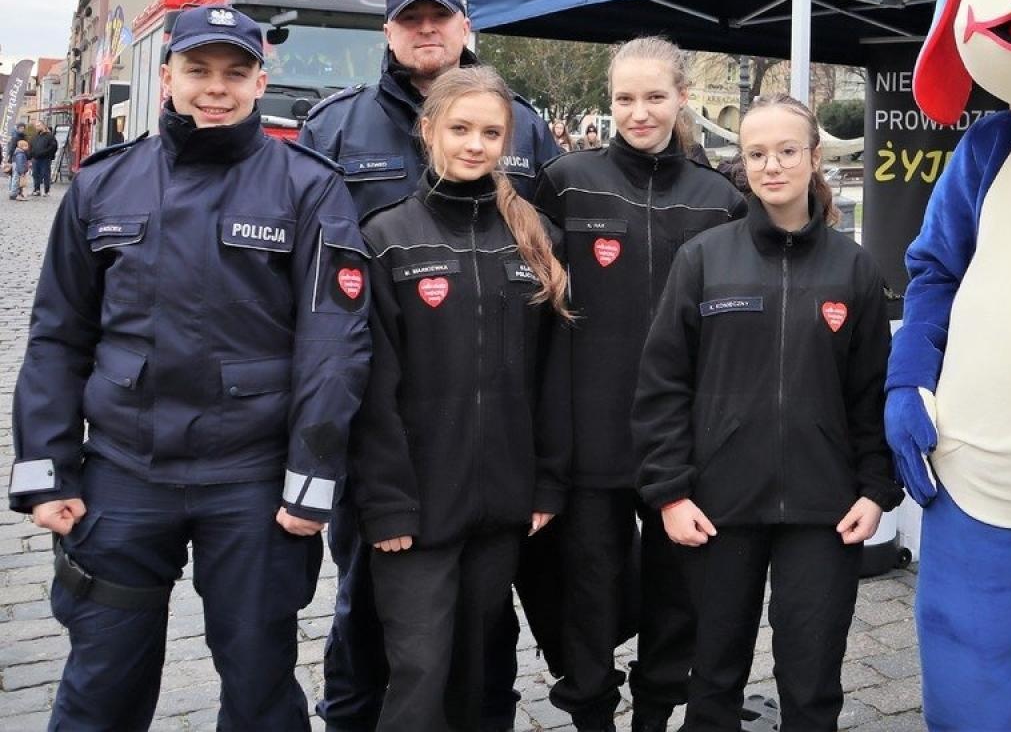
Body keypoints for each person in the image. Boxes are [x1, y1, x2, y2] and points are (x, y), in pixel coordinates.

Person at [8, 5, 371, 731]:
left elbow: (334, 344)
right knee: (101, 681)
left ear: (260, 81)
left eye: (235, 73)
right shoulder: (104, 184)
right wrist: (45, 469)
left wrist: (312, 479)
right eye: (198, 70)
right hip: (123, 474)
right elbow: (57, 336)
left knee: (261, 684)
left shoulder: (308, 186)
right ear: (168, 76)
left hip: (253, 482)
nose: (216, 88)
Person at [299, 0, 561, 732]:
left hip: (493, 465)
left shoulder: (526, 125)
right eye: (409, 19)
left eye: (439, 18)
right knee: (368, 622)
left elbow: (549, 287)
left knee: (481, 644)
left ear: (463, 27)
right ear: (387, 32)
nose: (425, 30)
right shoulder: (335, 126)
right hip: (392, 447)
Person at [634, 95, 902, 731]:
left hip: (824, 509)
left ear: (814, 158)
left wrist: (875, 489)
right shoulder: (703, 259)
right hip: (718, 506)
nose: (772, 165)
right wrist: (670, 493)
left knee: (812, 684)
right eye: (756, 153)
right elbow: (662, 385)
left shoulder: (853, 267)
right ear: (742, 162)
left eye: (786, 151)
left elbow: (872, 392)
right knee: (713, 678)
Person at [534, 36, 745, 732]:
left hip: (684, 445)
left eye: (655, 96)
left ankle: (654, 716)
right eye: (625, 98)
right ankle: (592, 714)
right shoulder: (566, 181)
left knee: (676, 596)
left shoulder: (720, 199)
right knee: (587, 597)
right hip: (591, 439)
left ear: (683, 97)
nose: (639, 112)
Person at [352, 66, 572, 731]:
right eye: (460, 129)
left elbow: (553, 375)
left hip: (502, 502)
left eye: (491, 133)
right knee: (419, 673)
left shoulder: (537, 238)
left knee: (480, 670)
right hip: (416, 506)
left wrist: (546, 483)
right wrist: (386, 503)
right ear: (429, 131)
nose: (475, 145)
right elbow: (371, 385)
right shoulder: (385, 238)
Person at [30, 123, 59, 196]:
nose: (37, 127)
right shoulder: (35, 136)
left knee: (45, 174)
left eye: (39, 125)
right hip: (35, 159)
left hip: (45, 159)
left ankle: (47, 191)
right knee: (35, 174)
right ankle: (37, 190)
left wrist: (45, 153)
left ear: (43, 126)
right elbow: (31, 146)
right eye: (36, 126)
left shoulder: (50, 136)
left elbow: (53, 147)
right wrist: (31, 154)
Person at [7, 136, 28, 201]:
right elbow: (20, 164)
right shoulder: (20, 154)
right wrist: (22, 172)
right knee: (16, 183)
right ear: (21, 146)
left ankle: (17, 194)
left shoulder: (19, 153)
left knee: (17, 182)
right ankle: (14, 195)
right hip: (18, 171)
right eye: (26, 146)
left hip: (18, 170)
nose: (27, 147)